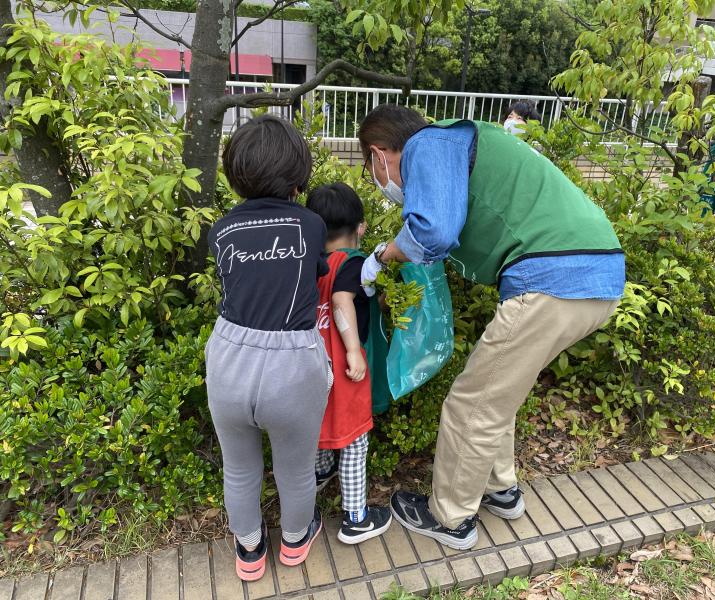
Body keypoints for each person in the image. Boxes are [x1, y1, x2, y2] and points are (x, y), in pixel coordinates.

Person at [357, 105, 625, 550]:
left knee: (472, 404)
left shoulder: (429, 144)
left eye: (372, 171)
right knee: (496, 393)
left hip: (553, 279)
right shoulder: (460, 143)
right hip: (594, 278)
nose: (379, 181)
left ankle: (450, 518)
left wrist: (381, 257)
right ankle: (500, 490)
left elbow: (433, 232)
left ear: (378, 154)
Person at [205, 114, 330, 579]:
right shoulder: (311, 224)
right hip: (293, 362)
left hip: (229, 355)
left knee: (239, 468)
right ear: (298, 172)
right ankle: (294, 541)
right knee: (295, 469)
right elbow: (317, 271)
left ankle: (250, 549)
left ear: (235, 174)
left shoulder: (221, 231)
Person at [305, 183, 393, 544]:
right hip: (344, 369)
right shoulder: (353, 262)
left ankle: (320, 474)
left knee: (317, 426)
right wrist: (354, 351)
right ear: (361, 227)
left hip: (309, 365)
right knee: (355, 441)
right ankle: (356, 518)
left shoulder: (308, 263)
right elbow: (342, 300)